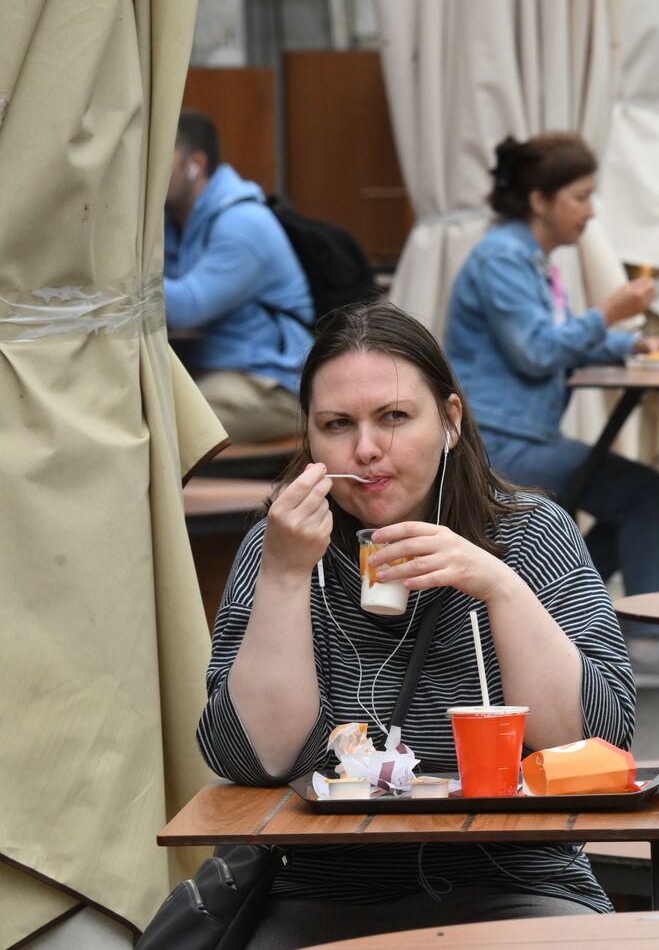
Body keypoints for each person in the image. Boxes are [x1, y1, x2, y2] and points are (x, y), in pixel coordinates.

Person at [195, 302, 635, 948]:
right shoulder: (281, 547)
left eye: (394, 417)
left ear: (451, 420)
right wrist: (286, 575)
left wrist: (499, 585)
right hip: (322, 890)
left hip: (521, 883)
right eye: (337, 424)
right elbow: (249, 758)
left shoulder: (530, 533)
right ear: (311, 440)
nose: (366, 448)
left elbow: (597, 742)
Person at [445, 133, 659, 690]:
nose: (591, 211)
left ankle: (556, 612)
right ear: (540, 200)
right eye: (580, 196)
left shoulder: (529, 256)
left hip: (518, 431)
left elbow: (555, 340)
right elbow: (537, 350)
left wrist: (637, 345)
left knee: (631, 495)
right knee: (642, 493)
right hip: (495, 441)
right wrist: (611, 313)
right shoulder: (502, 257)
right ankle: (645, 640)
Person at [164, 109, 313, 442]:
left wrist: (115, 274)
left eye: (159, 159)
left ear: (195, 166)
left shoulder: (243, 225)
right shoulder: (176, 224)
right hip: (218, 376)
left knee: (160, 423)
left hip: (269, 386)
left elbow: (185, 307)